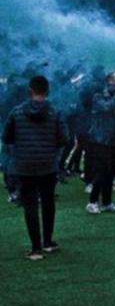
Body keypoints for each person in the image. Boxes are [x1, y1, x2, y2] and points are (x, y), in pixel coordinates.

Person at [2, 75, 69, 260]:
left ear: (30, 90)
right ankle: (48, 242)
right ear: (47, 91)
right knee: (48, 202)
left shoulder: (16, 112)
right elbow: (64, 138)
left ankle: (35, 248)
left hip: (24, 164)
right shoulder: (55, 112)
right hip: (48, 164)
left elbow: (6, 137)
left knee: (30, 204)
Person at [86, 72, 115, 214]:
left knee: (112, 171)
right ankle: (92, 202)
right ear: (110, 81)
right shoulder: (99, 96)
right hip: (101, 139)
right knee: (103, 171)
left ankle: (107, 203)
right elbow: (106, 108)